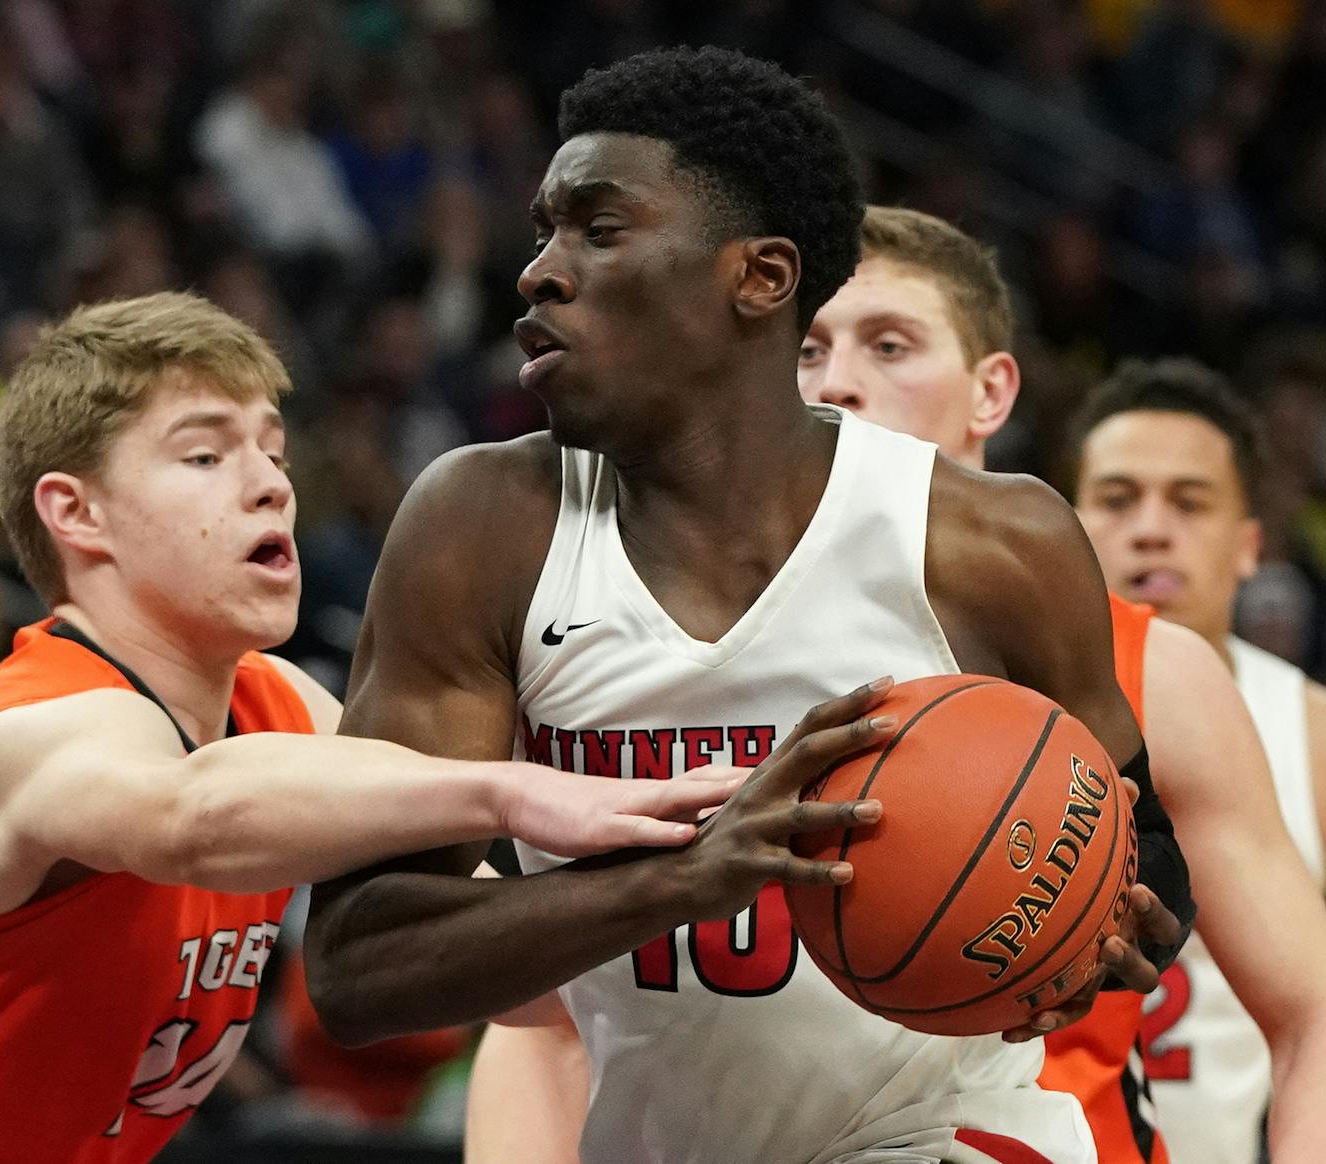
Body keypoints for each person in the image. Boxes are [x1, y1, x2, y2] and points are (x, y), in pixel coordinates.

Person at [305, 48, 1192, 1164]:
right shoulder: (481, 528)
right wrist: (689, 877)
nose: (537, 270)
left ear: (761, 278)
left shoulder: (985, 541)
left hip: (949, 1132)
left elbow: (1143, 842)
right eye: (542, 231)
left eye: (597, 227)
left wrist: (1103, 927)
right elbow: (355, 967)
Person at [465, 205, 1326, 1164]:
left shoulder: (1146, 667)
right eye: (806, 350)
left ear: (991, 395)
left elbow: (1322, 1018)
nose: (839, 381)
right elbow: (545, 1027)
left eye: (890, 345)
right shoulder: (660, 655)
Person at [0, 290, 744, 1164]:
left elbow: (511, 968)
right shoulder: (27, 725)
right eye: (207, 455)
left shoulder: (280, 704)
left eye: (275, 452)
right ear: (76, 513)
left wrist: (705, 872)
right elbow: (189, 816)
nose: (269, 485)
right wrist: (512, 787)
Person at [1070, 358, 1326, 1164]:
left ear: (1249, 547)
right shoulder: (994, 709)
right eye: (1116, 498)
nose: (1151, 529)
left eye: (1189, 502)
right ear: (1059, 527)